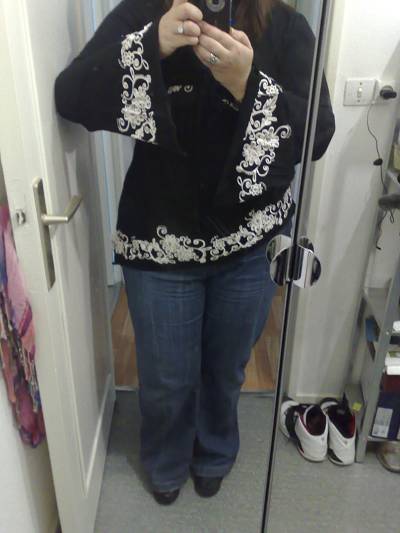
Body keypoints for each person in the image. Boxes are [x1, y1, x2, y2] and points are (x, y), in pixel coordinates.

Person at [55, 0, 335, 505]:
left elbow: (319, 133)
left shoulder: (286, 26)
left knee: (226, 370)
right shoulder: (143, 13)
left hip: (250, 243)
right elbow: (71, 96)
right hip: (160, 239)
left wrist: (247, 83)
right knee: (166, 377)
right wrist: (152, 45)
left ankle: (214, 453)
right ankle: (166, 460)